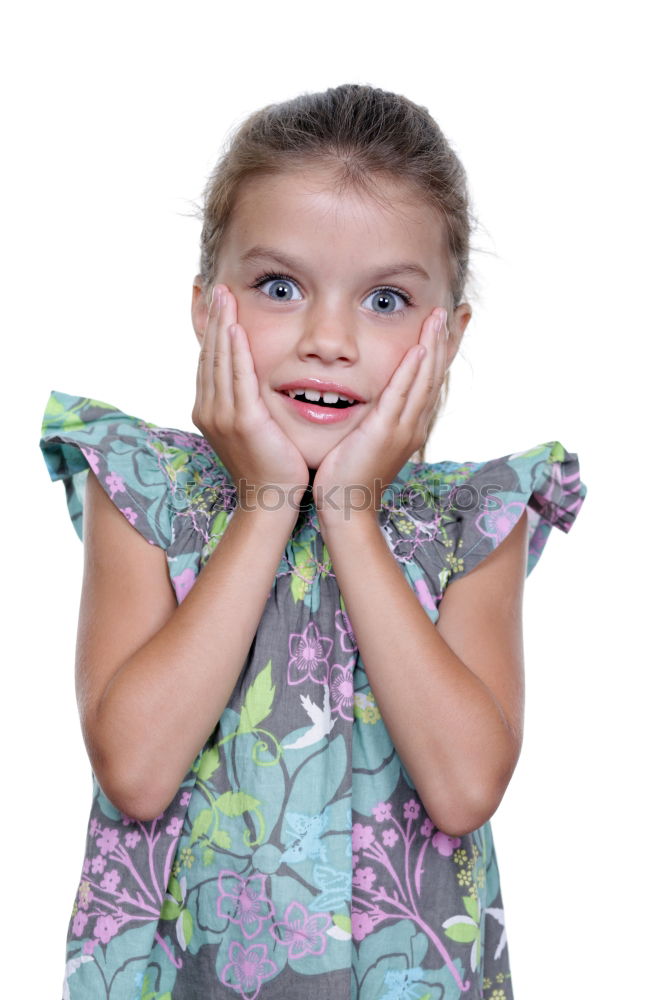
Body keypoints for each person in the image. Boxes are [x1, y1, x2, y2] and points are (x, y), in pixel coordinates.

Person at [39, 83, 587, 1000]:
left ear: (446, 340)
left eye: (384, 299)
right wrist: (266, 500)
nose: (328, 339)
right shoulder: (141, 490)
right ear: (206, 307)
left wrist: (351, 511)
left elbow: (463, 788)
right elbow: (134, 770)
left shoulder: (472, 520)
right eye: (280, 287)